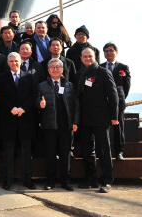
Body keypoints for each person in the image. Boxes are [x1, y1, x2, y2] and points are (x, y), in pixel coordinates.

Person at [75, 48, 119, 193]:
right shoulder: (78, 74)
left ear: (95, 57)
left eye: (90, 56)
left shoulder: (103, 72)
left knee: (104, 150)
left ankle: (107, 180)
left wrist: (114, 116)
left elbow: (113, 95)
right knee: (87, 150)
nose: (87, 58)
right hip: (85, 118)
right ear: (81, 58)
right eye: (85, 56)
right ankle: (91, 179)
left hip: (101, 118)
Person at [37, 58, 80, 191]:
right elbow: (37, 101)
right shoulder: (41, 85)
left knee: (65, 154)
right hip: (49, 125)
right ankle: (50, 181)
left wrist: (75, 122)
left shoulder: (70, 85)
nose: (55, 69)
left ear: (62, 70)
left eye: (58, 67)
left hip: (66, 125)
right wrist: (39, 104)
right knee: (49, 154)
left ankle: (65, 181)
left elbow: (76, 105)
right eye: (52, 67)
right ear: (48, 70)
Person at [0, 52, 37, 190]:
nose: (14, 63)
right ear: (8, 63)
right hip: (8, 120)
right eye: (12, 61)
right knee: (8, 153)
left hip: (25, 120)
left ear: (21, 62)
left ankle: (28, 180)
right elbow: (0, 96)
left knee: (26, 153)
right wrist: (12, 108)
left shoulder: (29, 77)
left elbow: (34, 95)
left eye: (17, 61)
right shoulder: (2, 78)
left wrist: (23, 108)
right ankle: (7, 180)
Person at [101, 43, 131, 160]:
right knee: (104, 128)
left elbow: (127, 86)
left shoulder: (123, 67)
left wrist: (120, 97)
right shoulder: (100, 67)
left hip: (119, 101)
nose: (108, 52)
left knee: (119, 127)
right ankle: (105, 151)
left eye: (111, 50)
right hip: (103, 102)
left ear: (116, 52)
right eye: (106, 51)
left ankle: (119, 151)